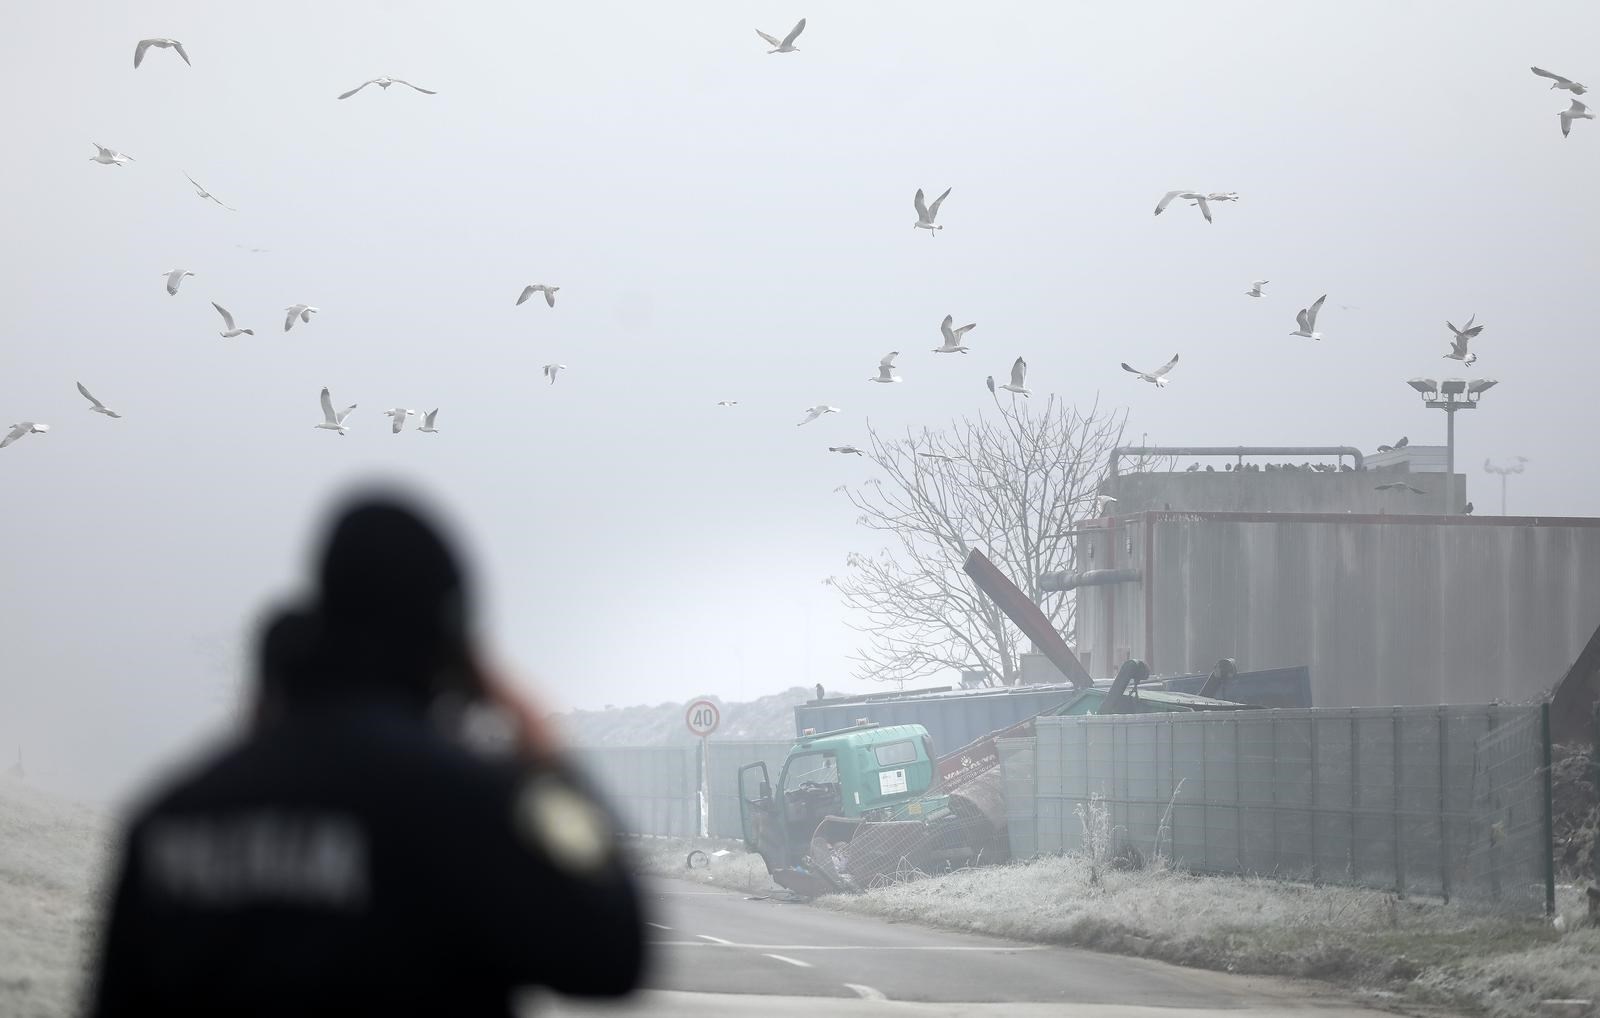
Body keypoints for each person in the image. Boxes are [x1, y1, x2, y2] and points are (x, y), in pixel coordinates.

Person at [87, 494, 645, 1017]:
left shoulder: (171, 816)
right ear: (450, 641)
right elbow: (611, 954)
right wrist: (546, 758)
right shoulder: (467, 807)